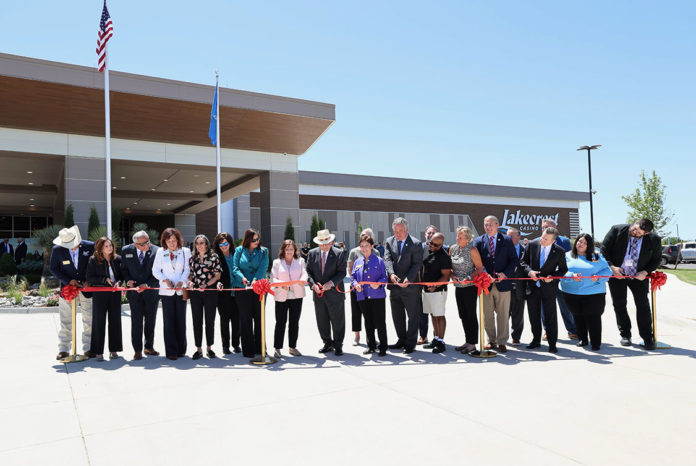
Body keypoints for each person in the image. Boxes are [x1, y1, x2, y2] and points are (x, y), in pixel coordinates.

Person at [601, 218, 661, 350]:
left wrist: (645, 272)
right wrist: (612, 267)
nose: (635, 233)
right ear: (634, 223)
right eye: (635, 229)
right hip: (618, 274)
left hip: (638, 276)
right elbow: (604, 250)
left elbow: (657, 259)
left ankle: (647, 337)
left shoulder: (654, 239)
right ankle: (625, 335)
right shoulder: (617, 230)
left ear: (646, 234)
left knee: (643, 305)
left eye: (639, 233)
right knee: (619, 304)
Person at [49, 226, 95, 360]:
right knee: (65, 319)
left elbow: (95, 265)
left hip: (87, 289)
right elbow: (54, 269)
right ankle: (64, 349)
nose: (72, 247)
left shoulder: (89, 247)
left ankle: (89, 348)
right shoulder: (57, 250)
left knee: (89, 319)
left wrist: (89, 280)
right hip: (68, 289)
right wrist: (69, 280)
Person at [520, 227, 568, 353]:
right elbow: (523, 262)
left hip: (549, 288)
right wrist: (530, 272)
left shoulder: (559, 251)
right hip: (532, 287)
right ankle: (536, 340)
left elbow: (563, 270)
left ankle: (552, 344)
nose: (542, 240)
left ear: (553, 241)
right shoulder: (531, 245)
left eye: (545, 239)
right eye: (542, 236)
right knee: (533, 316)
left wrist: (552, 277)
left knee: (550, 317)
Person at [473, 216, 517, 353]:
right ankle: (491, 340)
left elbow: (514, 260)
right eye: (486, 224)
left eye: (491, 224)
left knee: (503, 314)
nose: (488, 227)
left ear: (497, 225)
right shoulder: (479, 241)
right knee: (487, 314)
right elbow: (477, 261)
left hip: (503, 284)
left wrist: (505, 274)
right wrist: (485, 275)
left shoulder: (507, 240)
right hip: (485, 284)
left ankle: (502, 341)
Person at [561, 234, 612, 350]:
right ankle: (582, 339)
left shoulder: (597, 256)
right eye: (579, 241)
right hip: (571, 292)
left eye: (584, 242)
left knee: (593, 317)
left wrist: (598, 276)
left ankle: (595, 343)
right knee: (578, 316)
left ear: (589, 245)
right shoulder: (567, 256)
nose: (580, 244)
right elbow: (558, 270)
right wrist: (571, 275)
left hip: (594, 293)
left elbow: (608, 271)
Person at [383, 217, 423, 354]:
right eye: (395, 231)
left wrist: (409, 279)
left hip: (410, 286)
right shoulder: (389, 241)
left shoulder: (416, 243)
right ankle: (401, 339)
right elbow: (387, 259)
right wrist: (391, 274)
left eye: (400, 231)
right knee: (397, 315)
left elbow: (417, 263)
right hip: (394, 285)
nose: (397, 233)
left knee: (412, 316)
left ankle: (410, 343)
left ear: (406, 229)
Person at [306, 229, 348, 356]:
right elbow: (308, 272)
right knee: (322, 320)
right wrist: (313, 285)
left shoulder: (339, 253)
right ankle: (327, 343)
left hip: (335, 293)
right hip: (319, 294)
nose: (324, 246)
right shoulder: (312, 254)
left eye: (326, 243)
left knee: (338, 320)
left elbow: (342, 272)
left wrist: (331, 283)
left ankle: (338, 344)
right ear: (318, 243)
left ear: (330, 242)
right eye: (321, 243)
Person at [152, 228, 191, 361]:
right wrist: (164, 279)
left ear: (178, 240)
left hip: (180, 290)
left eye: (174, 240)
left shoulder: (185, 251)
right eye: (169, 241)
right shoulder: (160, 251)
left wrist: (181, 281)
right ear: (165, 241)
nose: (172, 243)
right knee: (169, 321)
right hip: (166, 291)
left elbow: (187, 269)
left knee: (181, 320)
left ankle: (181, 349)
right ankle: (171, 351)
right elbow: (155, 270)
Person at [121, 230, 160, 360]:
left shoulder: (157, 251)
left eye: (148, 242)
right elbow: (123, 269)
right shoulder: (126, 250)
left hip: (150, 291)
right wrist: (128, 281)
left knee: (150, 320)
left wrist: (147, 285)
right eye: (143, 244)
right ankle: (137, 350)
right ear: (136, 244)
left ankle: (149, 346)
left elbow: (159, 273)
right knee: (136, 321)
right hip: (134, 293)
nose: (147, 245)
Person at [232, 229, 269, 358]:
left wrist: (254, 280)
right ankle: (248, 349)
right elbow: (235, 267)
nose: (257, 242)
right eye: (254, 240)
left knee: (259, 318)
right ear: (247, 240)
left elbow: (263, 267)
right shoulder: (239, 250)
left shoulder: (264, 251)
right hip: (242, 289)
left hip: (259, 288)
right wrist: (242, 278)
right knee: (245, 319)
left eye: (258, 239)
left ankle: (260, 348)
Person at [86, 237, 123, 361]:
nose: (109, 248)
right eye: (106, 246)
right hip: (100, 294)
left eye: (110, 245)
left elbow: (121, 276)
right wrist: (103, 280)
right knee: (99, 322)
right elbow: (90, 277)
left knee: (115, 321)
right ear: (100, 248)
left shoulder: (117, 259)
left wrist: (118, 282)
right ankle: (98, 351)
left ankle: (114, 349)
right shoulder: (93, 260)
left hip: (115, 294)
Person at [540, 218, 578, 340]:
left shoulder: (565, 241)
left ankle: (572, 330)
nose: (544, 229)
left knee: (566, 306)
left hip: (561, 279)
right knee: (545, 308)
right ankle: (547, 330)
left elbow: (569, 260)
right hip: (545, 281)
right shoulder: (537, 241)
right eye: (542, 227)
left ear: (555, 227)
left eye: (547, 227)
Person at [351, 235, 388, 356]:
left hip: (377, 296)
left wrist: (378, 284)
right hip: (363, 296)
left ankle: (383, 347)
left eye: (367, 246)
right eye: (362, 246)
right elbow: (352, 277)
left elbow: (384, 277)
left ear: (372, 246)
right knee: (368, 322)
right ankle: (371, 346)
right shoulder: (357, 261)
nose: (364, 248)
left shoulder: (379, 260)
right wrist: (355, 284)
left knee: (380, 322)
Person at [271, 239, 308, 358]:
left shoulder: (300, 261)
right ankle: (277, 348)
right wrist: (282, 284)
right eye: (287, 249)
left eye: (291, 249)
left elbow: (304, 273)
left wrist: (303, 280)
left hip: (296, 295)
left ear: (295, 250)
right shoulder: (277, 262)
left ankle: (292, 347)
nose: (289, 251)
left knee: (294, 322)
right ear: (283, 250)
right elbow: (272, 279)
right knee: (280, 322)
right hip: (282, 295)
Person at [187, 234, 222, 360]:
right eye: (197, 243)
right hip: (196, 293)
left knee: (209, 321)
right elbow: (191, 274)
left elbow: (217, 275)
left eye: (202, 243)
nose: (199, 246)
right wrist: (189, 281)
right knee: (197, 321)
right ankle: (198, 349)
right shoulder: (193, 258)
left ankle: (209, 348)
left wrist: (206, 285)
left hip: (210, 293)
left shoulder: (213, 257)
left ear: (206, 244)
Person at [450, 226, 483, 353]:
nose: (458, 239)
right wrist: (453, 276)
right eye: (457, 236)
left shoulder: (472, 250)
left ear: (468, 239)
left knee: (470, 315)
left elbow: (479, 268)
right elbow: (450, 267)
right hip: (458, 287)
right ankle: (467, 340)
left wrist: (468, 277)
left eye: (461, 237)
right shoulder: (453, 248)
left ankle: (472, 343)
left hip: (470, 287)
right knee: (462, 315)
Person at [346, 228, 380, 346]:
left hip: (371, 289)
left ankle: (371, 337)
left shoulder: (375, 252)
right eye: (362, 235)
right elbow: (350, 269)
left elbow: (379, 269)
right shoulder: (354, 252)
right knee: (356, 312)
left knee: (371, 313)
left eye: (366, 235)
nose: (363, 236)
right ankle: (357, 336)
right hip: (357, 287)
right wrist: (356, 283)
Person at [421, 232, 452, 353]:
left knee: (439, 315)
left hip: (438, 291)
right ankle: (436, 338)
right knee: (432, 314)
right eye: (430, 243)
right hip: (427, 290)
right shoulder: (427, 250)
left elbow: (446, 275)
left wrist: (435, 285)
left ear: (441, 244)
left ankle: (441, 341)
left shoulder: (443, 256)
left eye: (435, 245)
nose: (432, 246)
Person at [213, 232, 241, 354]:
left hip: (237, 292)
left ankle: (236, 344)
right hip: (223, 294)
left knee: (237, 320)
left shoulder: (236, 255)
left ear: (230, 243)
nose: (223, 246)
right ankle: (225, 345)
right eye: (221, 244)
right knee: (224, 320)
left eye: (225, 243)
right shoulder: (216, 257)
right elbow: (214, 275)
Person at [507, 228, 526, 345]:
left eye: (511, 236)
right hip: (505, 287)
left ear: (519, 237)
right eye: (507, 236)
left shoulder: (526, 250)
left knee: (518, 313)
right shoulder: (503, 250)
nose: (508, 239)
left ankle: (516, 336)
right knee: (503, 313)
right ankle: (502, 338)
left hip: (520, 287)